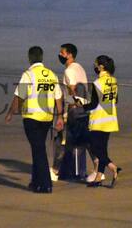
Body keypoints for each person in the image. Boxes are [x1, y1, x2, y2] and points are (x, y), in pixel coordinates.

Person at [5, 46, 64, 193]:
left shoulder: (29, 74)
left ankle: (46, 184)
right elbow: (58, 97)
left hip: (32, 118)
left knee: (38, 149)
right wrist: (60, 116)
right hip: (47, 117)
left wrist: (11, 112)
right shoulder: (51, 75)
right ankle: (35, 181)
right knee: (37, 148)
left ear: (30, 58)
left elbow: (19, 96)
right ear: (42, 57)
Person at [51, 43, 102, 182]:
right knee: (85, 140)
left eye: (62, 53)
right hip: (84, 109)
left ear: (69, 54)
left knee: (61, 140)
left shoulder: (69, 71)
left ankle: (55, 171)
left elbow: (73, 89)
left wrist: (69, 109)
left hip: (74, 108)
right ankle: (99, 167)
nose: (60, 55)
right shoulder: (79, 67)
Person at [78, 55, 121, 187]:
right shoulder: (113, 81)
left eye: (96, 64)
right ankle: (98, 178)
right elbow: (116, 100)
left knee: (96, 148)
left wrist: (80, 106)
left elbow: (93, 105)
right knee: (103, 149)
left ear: (101, 67)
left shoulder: (97, 83)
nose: (95, 67)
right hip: (111, 120)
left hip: (99, 120)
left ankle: (113, 167)